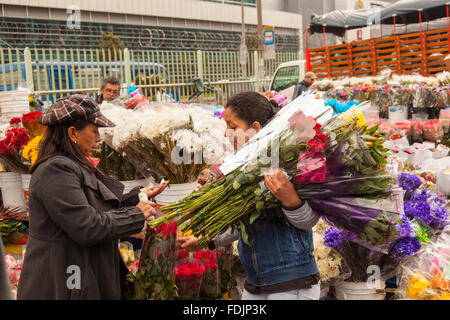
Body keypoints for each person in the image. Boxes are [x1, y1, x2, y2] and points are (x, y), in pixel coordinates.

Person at [17, 94, 169, 300]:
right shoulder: (55, 170)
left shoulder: (73, 164)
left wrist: (136, 198)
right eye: (94, 131)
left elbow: (92, 207)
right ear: (72, 133)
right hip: (62, 282)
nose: (99, 138)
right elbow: (86, 226)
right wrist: (135, 214)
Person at [177, 91, 321, 300]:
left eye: (232, 127)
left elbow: (309, 221)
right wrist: (207, 241)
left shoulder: (289, 163)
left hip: (291, 283)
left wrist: (291, 200)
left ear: (255, 128)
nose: (226, 133)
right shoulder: (243, 167)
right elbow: (242, 223)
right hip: (255, 283)